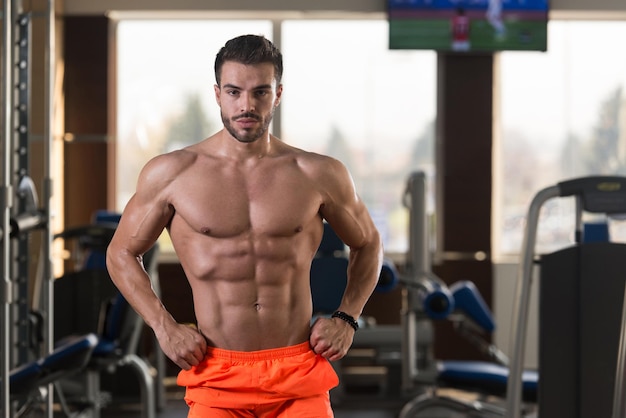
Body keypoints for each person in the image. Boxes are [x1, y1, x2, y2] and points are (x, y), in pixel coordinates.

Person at [106, 34, 383, 417]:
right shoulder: (171, 174)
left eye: (260, 92)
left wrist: (347, 317)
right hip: (216, 372)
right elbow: (120, 253)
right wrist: (164, 327)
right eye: (234, 92)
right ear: (218, 94)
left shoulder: (319, 173)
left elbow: (368, 243)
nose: (246, 105)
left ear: (278, 94)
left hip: (296, 372)